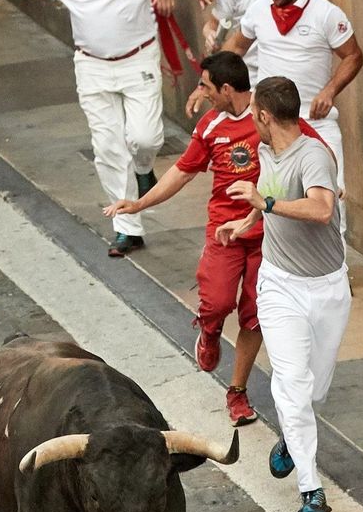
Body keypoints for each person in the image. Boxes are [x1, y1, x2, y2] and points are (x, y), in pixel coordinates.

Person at [0, 0, 218, 258]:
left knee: (145, 138)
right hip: (91, 66)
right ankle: (126, 227)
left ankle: (143, 168)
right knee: (107, 147)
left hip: (138, 60)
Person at [105, 50, 263, 427]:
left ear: (227, 88)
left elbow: (306, 148)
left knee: (255, 318)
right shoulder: (210, 125)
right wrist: (140, 203)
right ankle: (208, 329)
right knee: (218, 302)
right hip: (225, 232)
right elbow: (182, 172)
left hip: (266, 236)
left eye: (206, 85)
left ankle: (237, 393)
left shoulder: (266, 116)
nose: (202, 92)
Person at [215, 75, 345, 512]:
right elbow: (269, 192)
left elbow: (322, 209)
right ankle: (311, 488)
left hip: (327, 288)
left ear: (266, 116)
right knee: (291, 383)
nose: (252, 121)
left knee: (315, 389)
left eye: (254, 114)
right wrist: (248, 221)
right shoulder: (267, 151)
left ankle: (292, 437)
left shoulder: (314, 156)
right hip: (279, 285)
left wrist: (264, 204)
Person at [219, 0, 358, 230]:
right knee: (272, 196)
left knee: (330, 201)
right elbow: (235, 46)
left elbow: (354, 55)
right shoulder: (258, 10)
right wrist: (207, 79)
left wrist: (330, 90)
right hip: (272, 125)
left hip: (315, 120)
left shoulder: (326, 13)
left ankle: (335, 271)